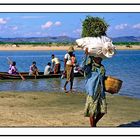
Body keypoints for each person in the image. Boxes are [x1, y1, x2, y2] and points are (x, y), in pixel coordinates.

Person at [82, 48, 107, 127]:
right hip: (92, 92)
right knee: (92, 112)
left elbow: (102, 80)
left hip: (101, 93)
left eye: (100, 57)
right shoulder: (90, 68)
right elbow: (82, 66)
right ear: (93, 58)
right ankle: (93, 127)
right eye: (97, 57)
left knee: (103, 111)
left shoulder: (102, 68)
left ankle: (94, 125)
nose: (99, 59)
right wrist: (85, 55)